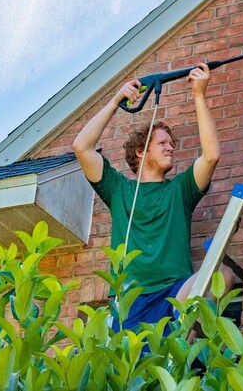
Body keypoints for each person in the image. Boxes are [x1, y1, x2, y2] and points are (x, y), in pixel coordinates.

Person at [72, 62, 234, 331]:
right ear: (140, 151)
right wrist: (115, 101)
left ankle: (184, 343)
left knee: (223, 276)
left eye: (172, 144)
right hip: (130, 300)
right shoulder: (119, 190)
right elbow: (81, 146)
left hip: (174, 294)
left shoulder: (179, 190)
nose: (170, 148)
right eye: (162, 143)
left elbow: (211, 156)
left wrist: (199, 95)